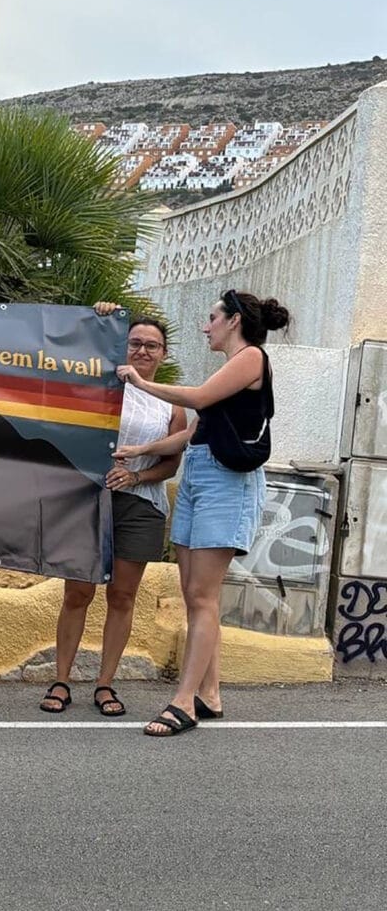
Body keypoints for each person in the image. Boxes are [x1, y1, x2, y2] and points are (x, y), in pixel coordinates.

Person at [113, 289, 289, 737]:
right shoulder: (230, 368)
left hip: (227, 483)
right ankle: (209, 694)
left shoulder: (251, 358)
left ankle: (182, 702)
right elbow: (193, 433)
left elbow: (195, 398)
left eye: (212, 317)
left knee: (202, 595)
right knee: (194, 593)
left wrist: (141, 382)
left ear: (233, 321)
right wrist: (144, 450)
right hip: (199, 475)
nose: (205, 325)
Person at [40, 307, 186, 717]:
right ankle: (61, 679)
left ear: (164, 354)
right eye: (135, 342)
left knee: (122, 596)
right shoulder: (99, 386)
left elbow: (172, 463)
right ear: (123, 345)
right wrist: (101, 315)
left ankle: (105, 684)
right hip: (87, 499)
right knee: (77, 592)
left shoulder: (172, 406)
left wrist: (137, 478)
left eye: (151, 345)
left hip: (141, 505)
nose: (142, 350)